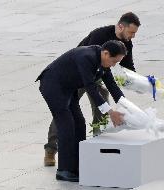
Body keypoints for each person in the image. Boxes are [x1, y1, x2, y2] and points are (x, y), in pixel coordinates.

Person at [44, 12, 141, 166]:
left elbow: (128, 69)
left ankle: (97, 139)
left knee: (102, 96)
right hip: (78, 74)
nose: (133, 36)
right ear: (121, 26)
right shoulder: (99, 35)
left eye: (135, 33)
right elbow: (89, 72)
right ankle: (51, 149)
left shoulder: (126, 43)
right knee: (65, 110)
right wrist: (110, 110)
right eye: (131, 32)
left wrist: (141, 86)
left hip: (97, 73)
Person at [36, 40, 127, 182]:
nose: (114, 65)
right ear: (106, 53)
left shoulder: (103, 61)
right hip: (53, 86)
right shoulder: (87, 57)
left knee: (79, 124)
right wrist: (110, 112)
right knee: (66, 125)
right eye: (114, 61)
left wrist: (128, 107)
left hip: (68, 88)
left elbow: (112, 86)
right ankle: (64, 170)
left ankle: (77, 165)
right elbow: (90, 87)